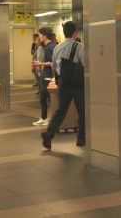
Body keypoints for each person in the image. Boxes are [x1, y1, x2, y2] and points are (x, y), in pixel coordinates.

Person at [42, 21, 85, 150]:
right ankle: (81, 139)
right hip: (77, 84)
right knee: (82, 111)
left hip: (63, 83)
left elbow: (54, 66)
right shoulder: (79, 46)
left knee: (61, 111)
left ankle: (49, 134)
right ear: (74, 32)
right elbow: (84, 64)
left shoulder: (57, 47)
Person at [32, 27, 56, 126]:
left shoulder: (50, 47)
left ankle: (50, 119)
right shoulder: (47, 46)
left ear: (45, 36)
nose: (39, 37)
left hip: (49, 77)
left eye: (40, 35)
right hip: (45, 76)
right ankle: (44, 118)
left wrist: (40, 64)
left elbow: (52, 63)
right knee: (43, 98)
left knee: (49, 99)